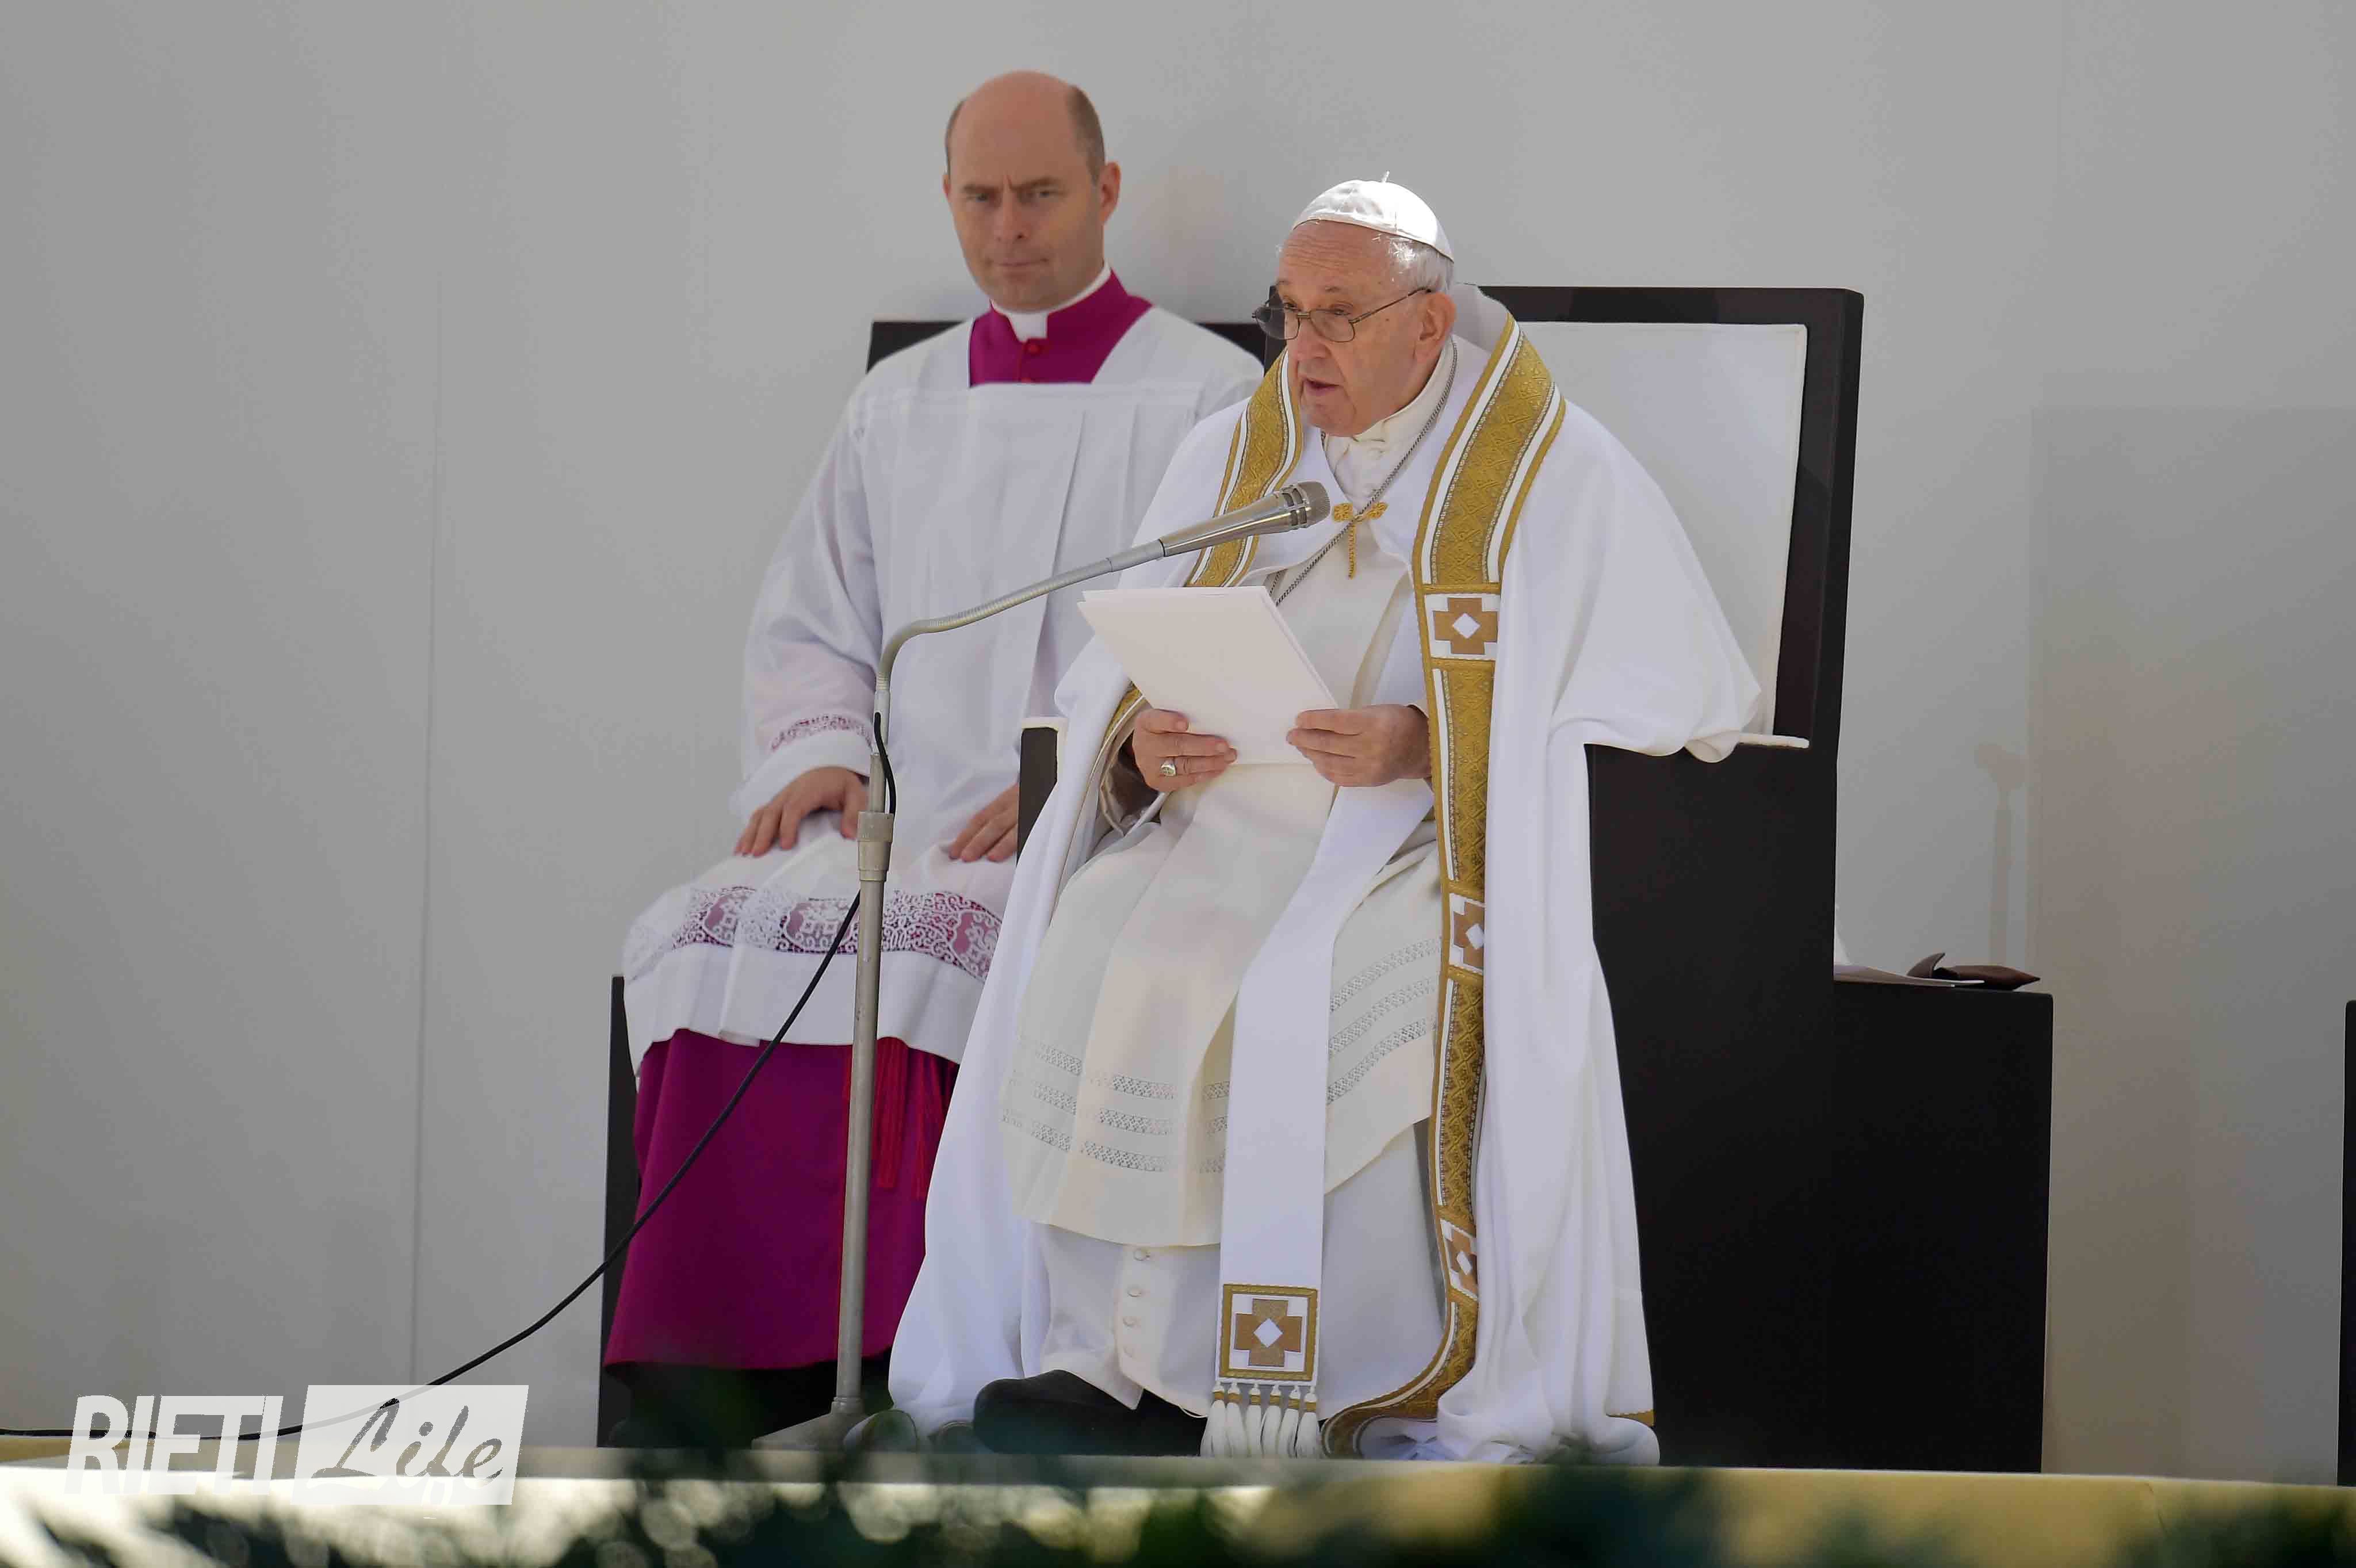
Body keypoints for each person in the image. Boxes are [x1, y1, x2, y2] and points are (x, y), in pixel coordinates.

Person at [890, 179, 1759, 1460]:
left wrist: (1427, 742)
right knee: (1098, 931)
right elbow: (1116, 668)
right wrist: (1141, 741)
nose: (1304, 347)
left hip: (1408, 844)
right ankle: (1105, 1358)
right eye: (1288, 313)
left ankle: (1280, 1378)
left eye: (1338, 315)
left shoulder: (1550, 471)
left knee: (1308, 982)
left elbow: (1682, 705)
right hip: (1223, 821)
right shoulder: (1233, 455)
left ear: (1428, 322)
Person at [607, 71, 1261, 1445]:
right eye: (981, 198)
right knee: (702, 929)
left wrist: (1072, 786)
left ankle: (922, 1367)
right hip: (903, 825)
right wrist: (821, 749)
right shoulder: (896, 405)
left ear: (1106, 191)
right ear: (948, 200)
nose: (1008, 228)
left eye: (1040, 194)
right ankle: (714, 1387)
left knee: (946, 951)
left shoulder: (1208, 397)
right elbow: (815, 618)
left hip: (1098, 827)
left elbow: (1223, 637)